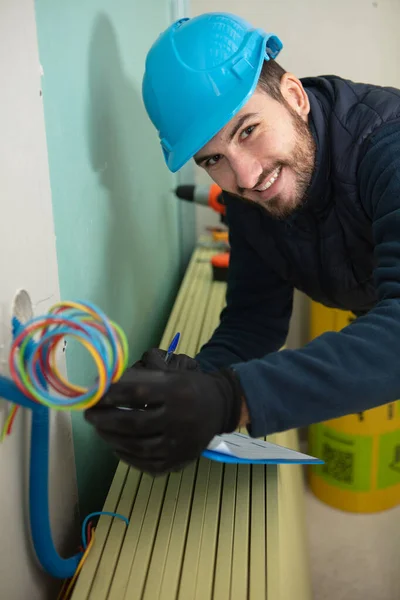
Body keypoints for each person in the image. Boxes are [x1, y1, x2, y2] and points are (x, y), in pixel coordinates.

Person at [85, 12, 400, 476]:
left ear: (293, 96)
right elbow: (254, 320)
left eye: (248, 130)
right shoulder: (248, 196)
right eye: (214, 159)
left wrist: (233, 399)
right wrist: (195, 384)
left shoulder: (387, 151)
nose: (247, 178)